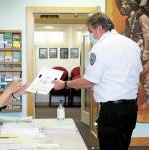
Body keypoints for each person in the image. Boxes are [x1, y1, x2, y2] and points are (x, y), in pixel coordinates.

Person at [53, 12, 142, 150]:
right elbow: (138, 74)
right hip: (130, 109)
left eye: (90, 31)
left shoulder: (100, 47)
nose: (90, 35)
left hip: (112, 111)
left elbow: (89, 81)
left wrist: (64, 84)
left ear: (99, 29)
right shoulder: (132, 45)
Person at [116, 0, 149, 117]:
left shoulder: (142, 17)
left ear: (132, 5)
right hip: (134, 54)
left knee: (146, 78)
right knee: (137, 78)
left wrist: (146, 52)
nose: (123, 6)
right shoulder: (128, 20)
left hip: (143, 53)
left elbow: (147, 35)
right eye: (123, 4)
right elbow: (128, 35)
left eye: (126, 4)